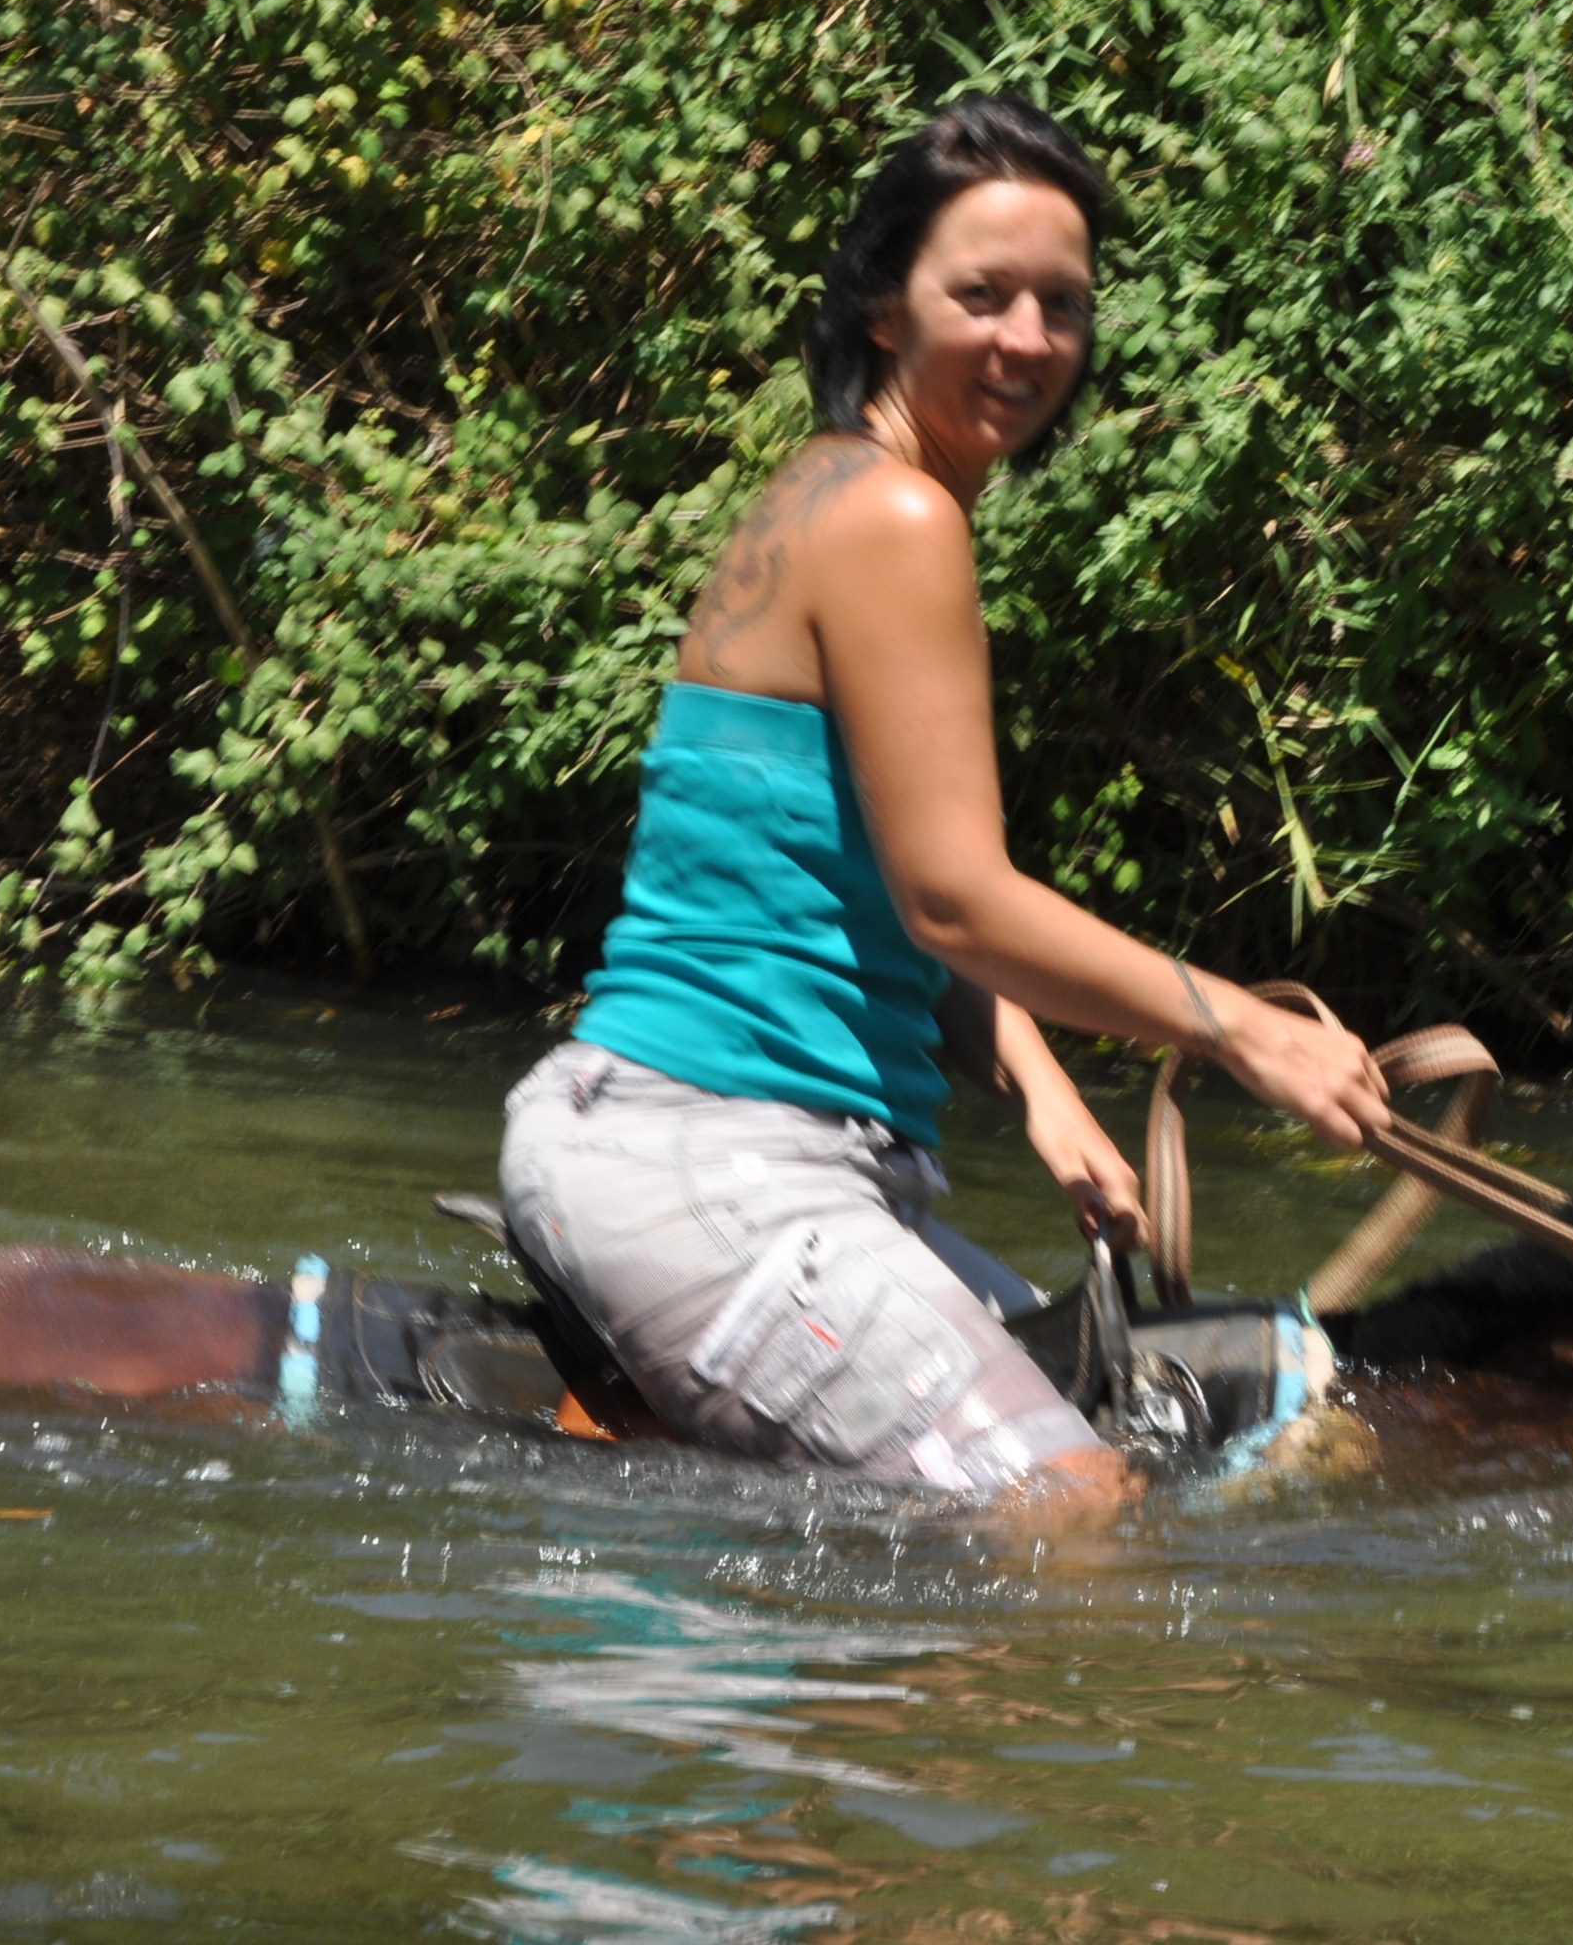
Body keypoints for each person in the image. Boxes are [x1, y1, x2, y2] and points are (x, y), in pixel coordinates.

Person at [497, 97, 1390, 1507]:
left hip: (706, 1144)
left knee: (1124, 1422)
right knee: (1077, 1506)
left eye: (1062, 303)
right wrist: (1246, 1034)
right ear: (881, 309)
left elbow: (840, 883)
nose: (1029, 339)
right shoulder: (898, 522)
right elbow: (955, 897)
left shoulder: (832, 491)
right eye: (982, 295)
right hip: (711, 1156)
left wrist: (1037, 1084)